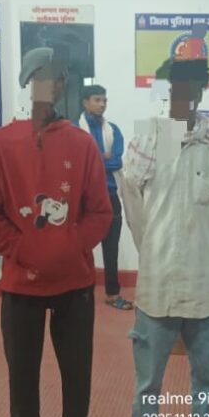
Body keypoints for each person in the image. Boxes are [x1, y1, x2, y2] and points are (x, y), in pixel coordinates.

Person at [0, 47, 112, 417]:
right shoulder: (0, 144)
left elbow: (100, 212)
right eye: (39, 77)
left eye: (55, 77)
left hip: (75, 286)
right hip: (21, 286)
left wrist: (69, 247)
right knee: (22, 387)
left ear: (64, 84)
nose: (48, 85)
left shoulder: (82, 145)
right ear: (27, 82)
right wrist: (23, 249)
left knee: (77, 383)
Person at [120, 56, 209, 417]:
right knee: (147, 386)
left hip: (205, 293)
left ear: (201, 93)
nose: (183, 98)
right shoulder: (148, 141)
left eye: (191, 90)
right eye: (176, 90)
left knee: (208, 386)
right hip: (157, 290)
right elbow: (134, 209)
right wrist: (153, 250)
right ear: (168, 92)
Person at [76, 85, 130, 310]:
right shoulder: (74, 131)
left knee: (111, 247)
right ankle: (80, 292)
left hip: (110, 195)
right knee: (80, 246)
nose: (102, 104)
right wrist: (101, 158)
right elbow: (78, 163)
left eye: (104, 100)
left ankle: (112, 293)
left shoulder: (113, 130)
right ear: (85, 102)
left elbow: (116, 161)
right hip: (83, 198)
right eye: (97, 100)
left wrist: (94, 160)